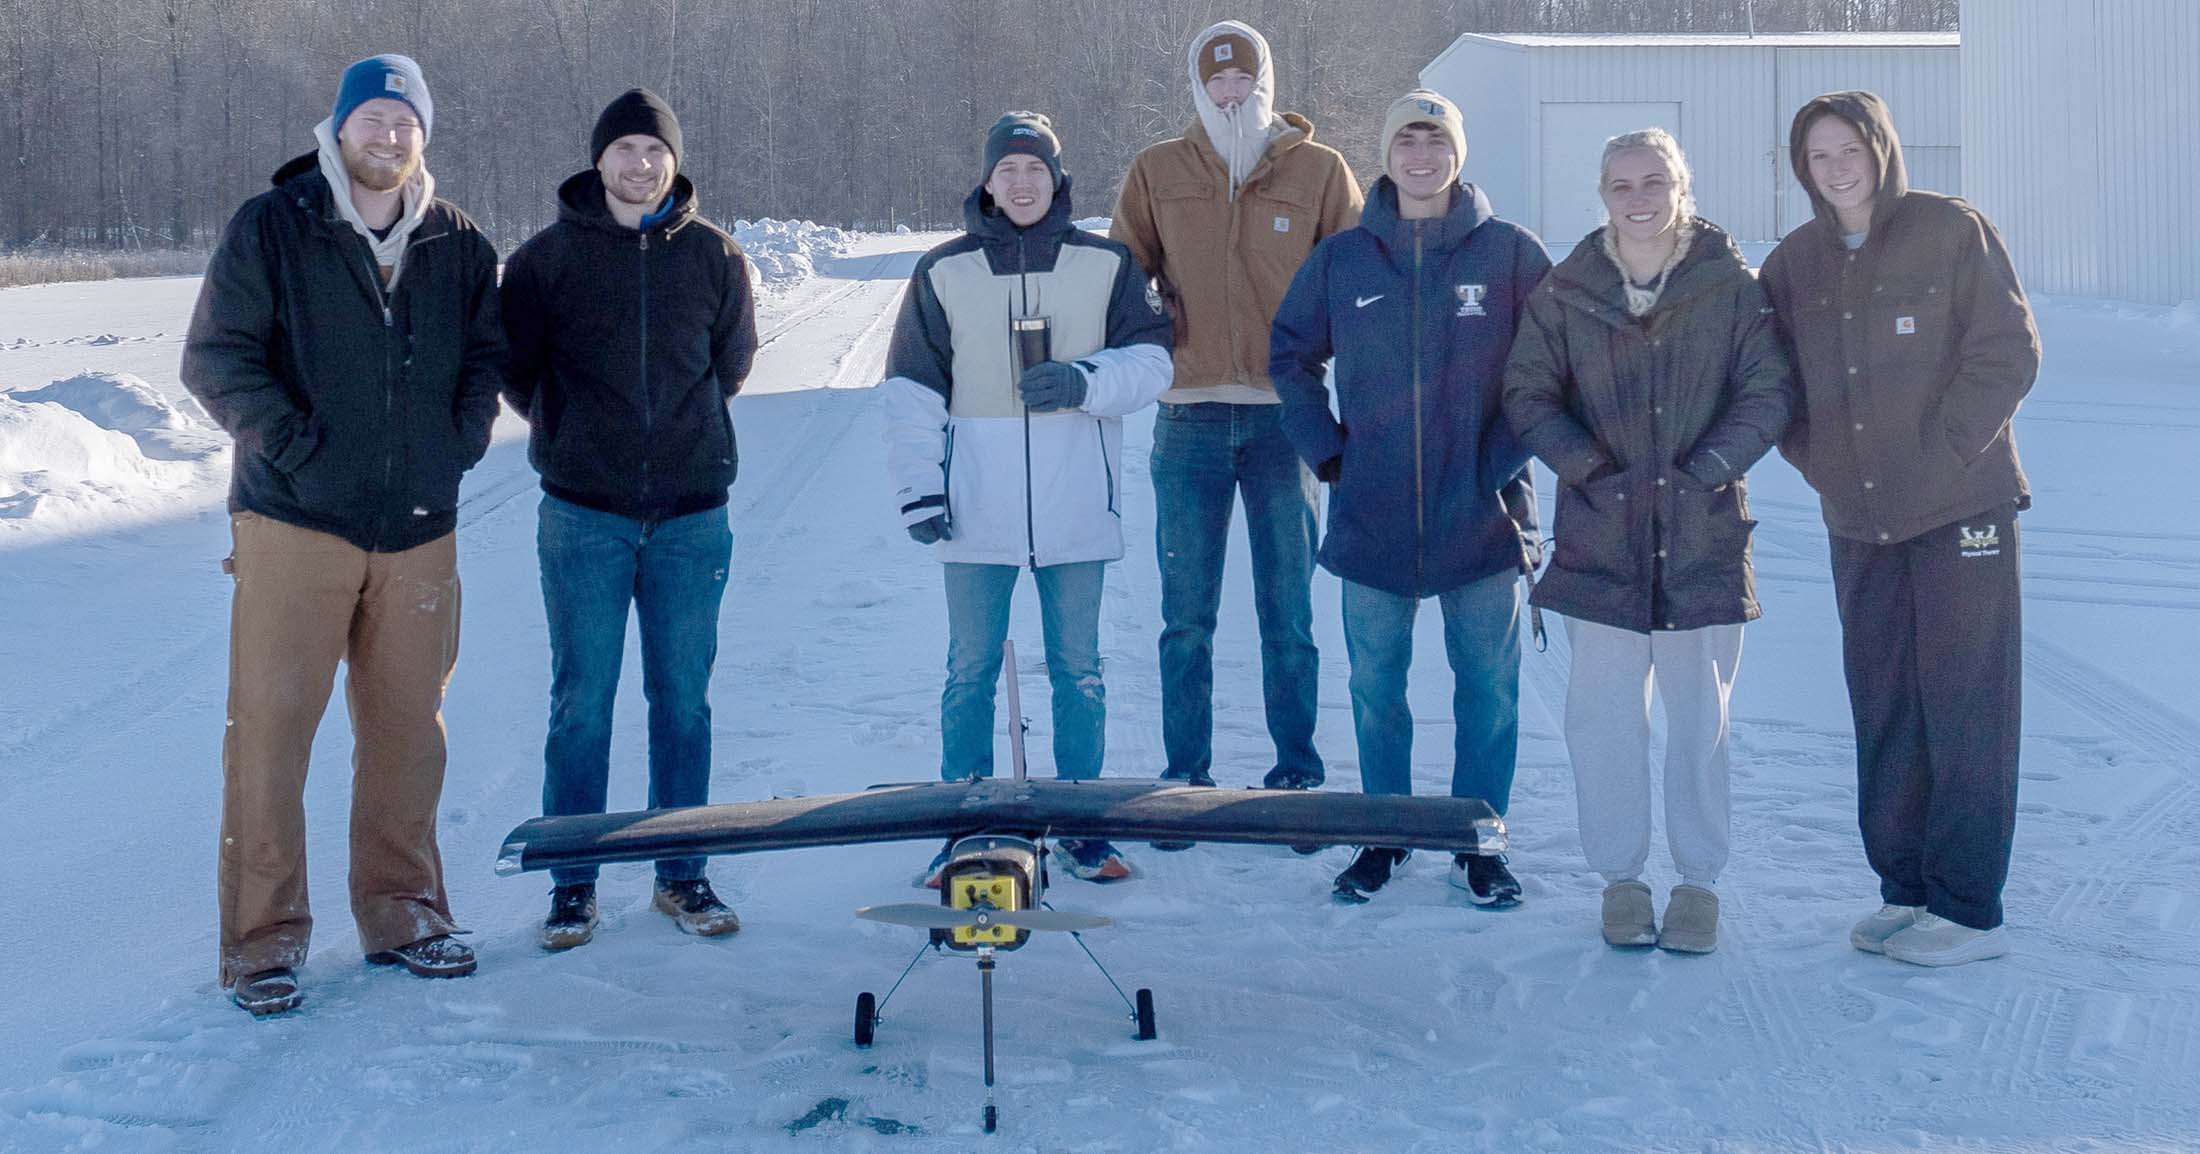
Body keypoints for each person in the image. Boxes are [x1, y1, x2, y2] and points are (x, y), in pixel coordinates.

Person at [180, 54, 504, 1015]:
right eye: (372, 119)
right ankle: (262, 944)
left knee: (409, 736)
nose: (389, 137)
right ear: (337, 128)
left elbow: (486, 360)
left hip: (418, 531)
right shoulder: (274, 228)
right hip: (294, 522)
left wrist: (457, 442)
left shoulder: (457, 242)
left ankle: (404, 911)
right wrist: (297, 447)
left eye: (406, 122)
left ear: (425, 136)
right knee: (272, 739)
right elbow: (217, 359)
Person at [1761, 91, 2040, 967]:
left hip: (1961, 511)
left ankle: (1967, 909)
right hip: (1860, 519)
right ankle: (1907, 889)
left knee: (1966, 703)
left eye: (1850, 149)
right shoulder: (1795, 262)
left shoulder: (1949, 231)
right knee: (1884, 702)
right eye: (1819, 156)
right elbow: (1776, 387)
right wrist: (1823, 465)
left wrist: (1948, 452)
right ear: (1801, 170)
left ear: (1881, 150)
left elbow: (2007, 349)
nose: (1837, 168)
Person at [1503, 128, 1794, 954]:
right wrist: (1588, 469)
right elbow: (1528, 393)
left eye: (1654, 181)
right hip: (1602, 537)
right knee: (1602, 719)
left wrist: (1709, 468)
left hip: (1702, 533)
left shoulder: (1728, 286)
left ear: (1681, 188)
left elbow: (1767, 391)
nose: (1640, 198)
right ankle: (1621, 878)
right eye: (1623, 184)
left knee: (1701, 718)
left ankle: (1698, 881)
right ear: (1602, 195)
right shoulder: (1568, 292)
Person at [1270, 90, 1547, 907]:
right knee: (1374, 686)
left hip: (1483, 517)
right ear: (1385, 155)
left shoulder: (1510, 255)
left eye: (1436, 140)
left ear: (1458, 154)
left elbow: (1555, 371)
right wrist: (1328, 455)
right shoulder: (1344, 259)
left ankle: (1477, 838)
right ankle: (1383, 834)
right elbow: (1290, 359)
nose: (1421, 156)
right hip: (1373, 517)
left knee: (1488, 688)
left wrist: (1496, 463)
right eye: (1406, 141)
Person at [881, 112, 1173, 884]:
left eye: (1034, 169)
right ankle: (965, 822)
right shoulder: (943, 271)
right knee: (968, 671)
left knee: (1079, 670)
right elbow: (911, 391)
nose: (1020, 182)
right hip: (974, 509)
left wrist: (1088, 383)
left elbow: (1152, 363)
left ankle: (1081, 826)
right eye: (1006, 170)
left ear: (1057, 179)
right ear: (986, 181)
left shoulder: (1105, 264)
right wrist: (921, 490)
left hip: (1077, 505)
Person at [500, 88, 757, 951]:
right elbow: (519, 372)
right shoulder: (544, 260)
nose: (641, 166)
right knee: (582, 704)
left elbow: (729, 364)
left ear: (673, 163)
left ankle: (681, 873)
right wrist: (581, 436)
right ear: (598, 159)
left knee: (683, 702)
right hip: (584, 517)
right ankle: (573, 883)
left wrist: (677, 439)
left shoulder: (717, 258)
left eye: (656, 151)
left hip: (691, 519)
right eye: (625, 151)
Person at [1110, 20, 1361, 794]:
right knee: (1186, 621)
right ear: (1197, 84)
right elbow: (1122, 277)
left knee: (1288, 616)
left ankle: (1297, 771)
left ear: (1266, 81)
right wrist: (1159, 332)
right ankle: (1186, 773)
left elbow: (1353, 281)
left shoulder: (1319, 170)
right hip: (1187, 421)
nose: (1231, 91)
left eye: (1243, 77)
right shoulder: (1158, 169)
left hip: (1283, 422)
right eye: (1217, 78)